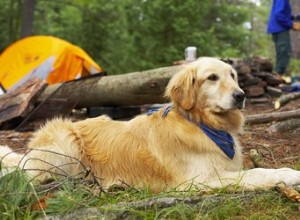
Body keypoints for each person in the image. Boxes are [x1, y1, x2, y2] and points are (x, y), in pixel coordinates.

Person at [267, 0, 300, 79]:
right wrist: (292, 24)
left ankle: (277, 75)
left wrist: (294, 17)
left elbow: (282, 14)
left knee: (281, 52)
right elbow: (278, 14)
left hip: (277, 28)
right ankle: (278, 76)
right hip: (280, 28)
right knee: (284, 52)